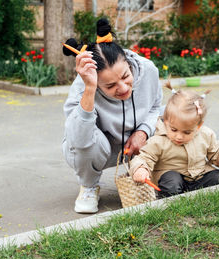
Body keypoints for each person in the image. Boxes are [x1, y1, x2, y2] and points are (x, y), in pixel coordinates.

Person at [62, 18, 163, 213]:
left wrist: (143, 132)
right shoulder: (83, 86)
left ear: (127, 61)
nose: (123, 88)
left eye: (126, 76)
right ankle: (89, 186)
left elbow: (156, 107)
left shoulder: (148, 69)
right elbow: (78, 139)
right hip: (102, 148)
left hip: (137, 144)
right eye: (110, 86)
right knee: (82, 140)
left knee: (173, 116)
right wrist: (90, 89)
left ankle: (158, 175)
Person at [130, 85, 219, 198]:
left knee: (218, 178)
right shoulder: (158, 140)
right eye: (174, 130)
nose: (179, 136)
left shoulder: (205, 134)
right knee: (171, 182)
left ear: (198, 126)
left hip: (199, 176)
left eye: (186, 132)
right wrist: (140, 169)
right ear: (166, 122)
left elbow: (216, 151)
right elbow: (144, 158)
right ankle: (169, 200)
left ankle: (204, 199)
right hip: (172, 179)